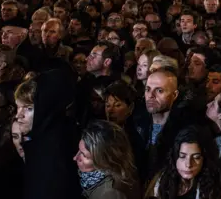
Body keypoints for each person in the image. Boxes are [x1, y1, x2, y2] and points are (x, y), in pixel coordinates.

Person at [15, 71, 80, 199]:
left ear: (45, 107)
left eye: (28, 108)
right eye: (18, 107)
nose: (19, 115)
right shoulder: (39, 142)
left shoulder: (53, 151)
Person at [147, 127, 221, 199]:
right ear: (175, 156)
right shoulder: (162, 181)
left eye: (196, 157)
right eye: (182, 156)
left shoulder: (213, 181)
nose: (188, 164)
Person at [75, 119, 139, 199]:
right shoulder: (90, 179)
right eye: (79, 151)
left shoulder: (110, 194)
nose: (75, 158)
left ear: (104, 161)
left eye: (84, 155)